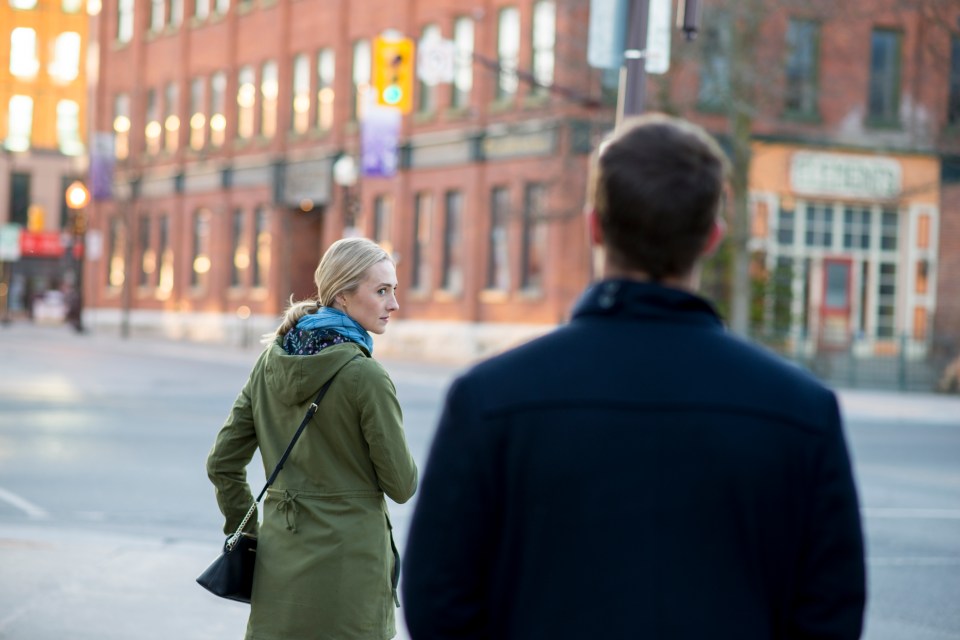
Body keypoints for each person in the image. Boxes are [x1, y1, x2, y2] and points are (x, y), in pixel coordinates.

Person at [402, 114, 866, 639]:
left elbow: (437, 602)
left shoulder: (489, 400)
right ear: (711, 236)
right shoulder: (802, 412)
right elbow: (830, 612)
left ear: (594, 227)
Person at [206, 237, 418, 640]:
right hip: (351, 584)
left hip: (278, 572)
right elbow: (402, 485)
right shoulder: (367, 378)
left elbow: (222, 463)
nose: (394, 304)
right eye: (381, 291)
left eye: (394, 290)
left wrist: (247, 531)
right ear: (342, 295)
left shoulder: (270, 362)